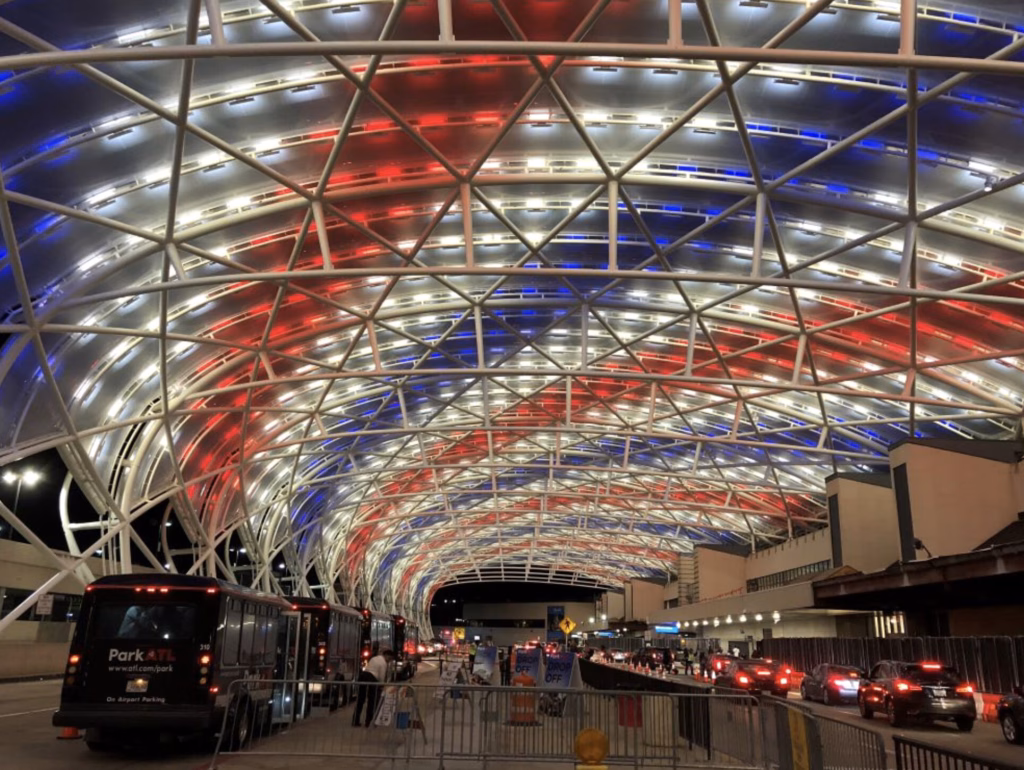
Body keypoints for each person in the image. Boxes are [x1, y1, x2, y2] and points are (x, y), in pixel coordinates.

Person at [352, 648, 393, 727]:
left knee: (360, 700)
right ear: (386, 656)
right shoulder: (383, 663)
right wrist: (382, 686)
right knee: (372, 701)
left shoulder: (374, 658)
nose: (389, 661)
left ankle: (355, 720)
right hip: (372, 679)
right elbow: (381, 677)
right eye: (389, 659)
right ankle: (368, 722)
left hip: (363, 676)